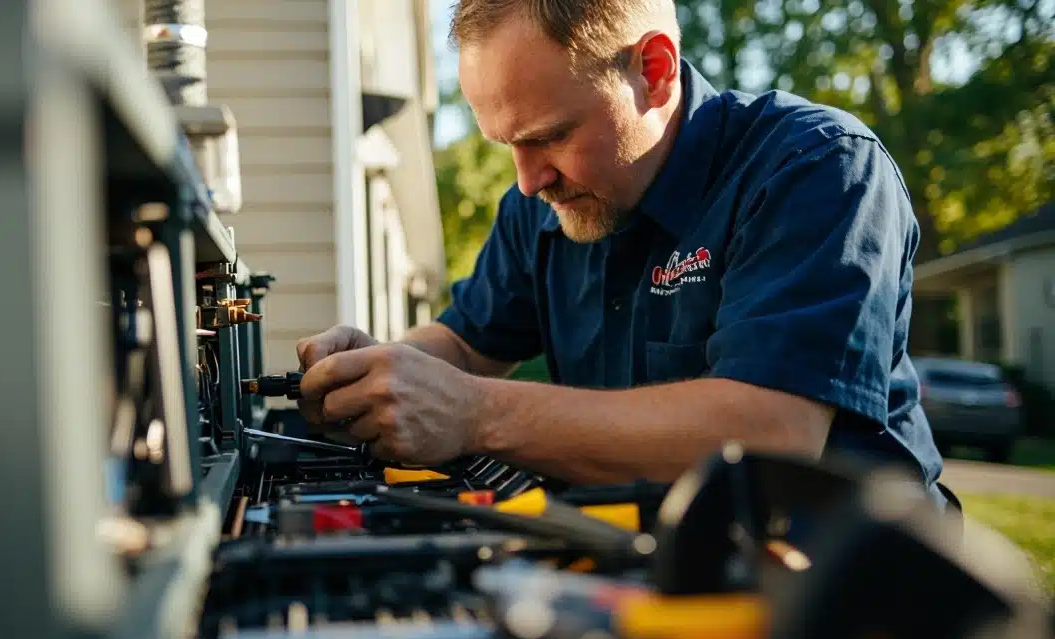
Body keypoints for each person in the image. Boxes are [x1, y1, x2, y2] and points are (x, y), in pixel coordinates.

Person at [295, 0, 944, 492]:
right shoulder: (544, 202)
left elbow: (771, 432)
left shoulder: (815, 167)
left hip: (846, 603)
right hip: (648, 581)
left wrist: (474, 413)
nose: (527, 180)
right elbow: (466, 345)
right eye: (509, 146)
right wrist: (380, 373)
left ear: (654, 72)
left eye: (550, 135)